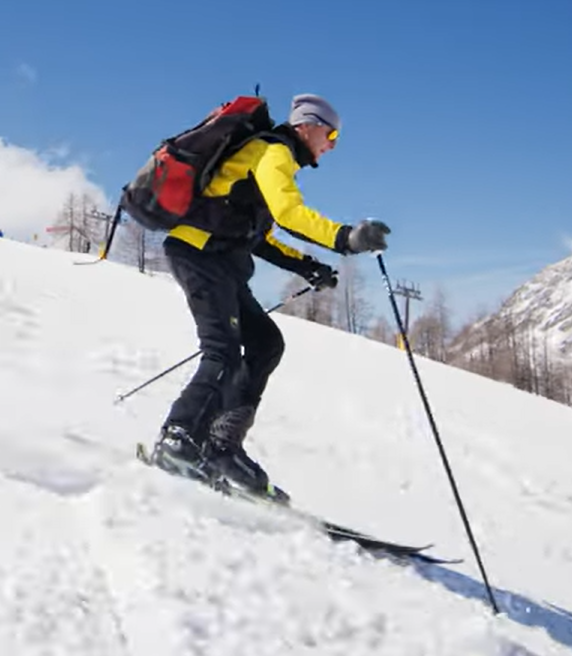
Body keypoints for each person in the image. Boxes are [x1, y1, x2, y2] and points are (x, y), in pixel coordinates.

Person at [149, 92, 391, 498]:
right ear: (307, 126)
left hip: (219, 260)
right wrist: (345, 238)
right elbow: (290, 213)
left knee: (265, 343)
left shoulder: (268, 161)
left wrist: (306, 266)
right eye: (331, 134)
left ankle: (221, 446)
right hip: (197, 252)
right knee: (222, 353)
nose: (331, 144)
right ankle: (177, 438)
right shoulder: (273, 152)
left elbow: (261, 238)